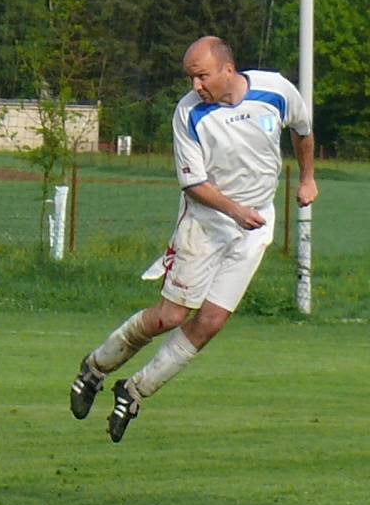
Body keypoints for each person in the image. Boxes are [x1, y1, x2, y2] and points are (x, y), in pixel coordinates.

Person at [69, 36, 318, 442]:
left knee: (212, 321)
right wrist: (235, 211)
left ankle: (134, 391)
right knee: (171, 317)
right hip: (205, 224)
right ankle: (95, 368)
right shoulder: (188, 113)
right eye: (191, 78)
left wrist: (307, 177)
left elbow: (303, 131)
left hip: (255, 225)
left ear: (228, 70)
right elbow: (194, 184)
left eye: (201, 76)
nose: (196, 86)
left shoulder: (276, 90)